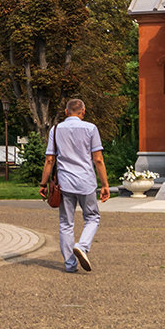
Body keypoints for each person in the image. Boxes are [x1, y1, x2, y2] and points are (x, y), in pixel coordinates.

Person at [38, 98, 111, 273]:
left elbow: (49, 159)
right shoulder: (91, 128)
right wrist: (105, 185)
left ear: (66, 112)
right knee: (92, 217)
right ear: (83, 112)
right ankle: (83, 246)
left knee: (65, 223)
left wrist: (43, 184)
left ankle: (70, 264)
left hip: (64, 183)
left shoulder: (55, 130)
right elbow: (98, 159)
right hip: (86, 181)